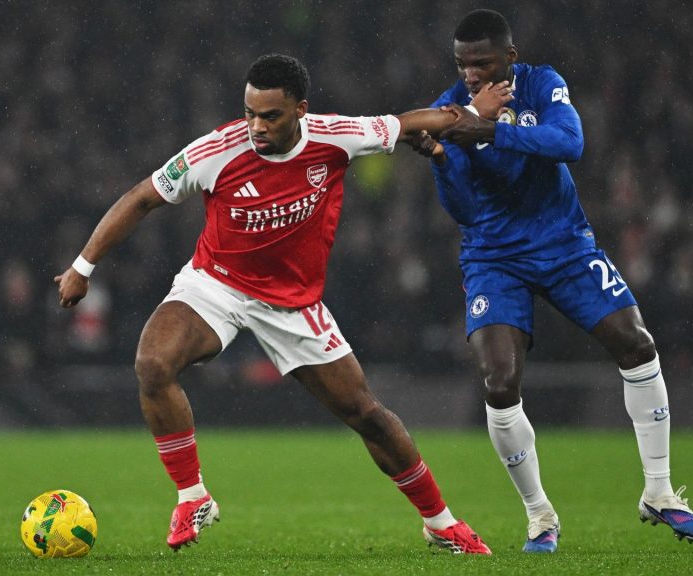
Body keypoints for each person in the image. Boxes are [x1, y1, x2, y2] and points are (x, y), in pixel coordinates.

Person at [54, 54, 491, 555]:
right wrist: (82, 267)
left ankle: (440, 522)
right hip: (215, 285)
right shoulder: (216, 150)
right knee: (152, 363)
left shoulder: (337, 136)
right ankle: (193, 496)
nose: (256, 126)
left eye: (270, 116)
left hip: (292, 303)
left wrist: (474, 114)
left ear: (301, 109)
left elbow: (412, 122)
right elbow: (141, 198)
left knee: (365, 413)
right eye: (250, 113)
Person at [407, 9, 693, 553]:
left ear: (510, 58)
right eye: (462, 64)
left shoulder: (542, 83)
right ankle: (539, 515)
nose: (471, 74)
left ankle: (660, 492)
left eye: (482, 63)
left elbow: (570, 142)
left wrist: (489, 129)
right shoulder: (449, 111)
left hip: (564, 244)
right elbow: (463, 209)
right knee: (499, 382)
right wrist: (441, 157)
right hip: (494, 257)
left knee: (636, 343)